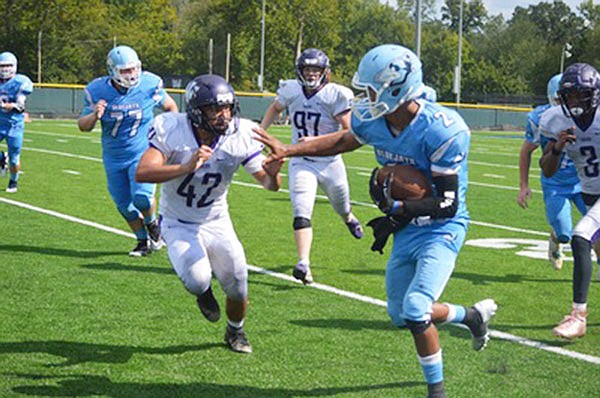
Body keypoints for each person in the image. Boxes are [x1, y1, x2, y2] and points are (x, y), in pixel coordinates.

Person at [254, 44, 497, 398]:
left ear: (397, 89)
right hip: (408, 227)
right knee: (401, 315)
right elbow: (343, 139)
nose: (364, 99)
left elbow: (446, 202)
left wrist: (396, 208)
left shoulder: (445, 129)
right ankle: (470, 316)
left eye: (370, 90)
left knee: (416, 308)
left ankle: (437, 392)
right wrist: (290, 150)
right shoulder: (376, 120)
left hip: (442, 228)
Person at [135, 74, 283, 354]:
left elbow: (269, 185)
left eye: (227, 108)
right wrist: (185, 167)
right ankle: (203, 293)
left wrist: (274, 175)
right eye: (214, 109)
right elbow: (143, 172)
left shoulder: (241, 133)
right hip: (178, 221)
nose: (223, 115)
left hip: (216, 219)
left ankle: (235, 331)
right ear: (195, 110)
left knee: (238, 284)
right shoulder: (172, 128)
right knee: (197, 279)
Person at [259, 48, 363, 285]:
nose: (312, 73)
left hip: (330, 160)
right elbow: (275, 108)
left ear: (325, 71)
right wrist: (262, 131)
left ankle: (348, 218)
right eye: (307, 69)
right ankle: (303, 263)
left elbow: (348, 131)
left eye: (316, 69)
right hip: (301, 160)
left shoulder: (335, 94)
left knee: (341, 204)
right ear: (300, 71)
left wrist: (315, 141)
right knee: (301, 210)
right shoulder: (292, 91)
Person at [78, 45, 178, 256]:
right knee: (123, 204)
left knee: (141, 197)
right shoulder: (97, 90)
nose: (131, 75)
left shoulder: (150, 84)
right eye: (125, 71)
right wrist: (95, 115)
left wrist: (167, 133)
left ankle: (152, 225)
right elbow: (83, 126)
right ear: (112, 70)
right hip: (113, 155)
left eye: (134, 69)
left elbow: (171, 106)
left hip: (142, 151)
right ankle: (143, 241)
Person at [539, 62, 600, 340]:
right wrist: (557, 148)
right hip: (589, 192)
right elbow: (548, 169)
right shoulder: (555, 120)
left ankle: (578, 317)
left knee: (579, 236)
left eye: (581, 95)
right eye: (570, 96)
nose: (575, 102)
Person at [517, 74, 586, 270]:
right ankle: (556, 239)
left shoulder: (588, 114)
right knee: (565, 233)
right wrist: (524, 186)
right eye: (562, 98)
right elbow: (526, 151)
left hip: (584, 180)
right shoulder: (540, 118)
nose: (568, 102)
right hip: (555, 182)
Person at [0, 51, 33, 193]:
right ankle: (2, 158)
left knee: (14, 159)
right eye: (2, 65)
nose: (5, 69)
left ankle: (13, 180)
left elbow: (20, 107)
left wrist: (9, 106)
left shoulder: (20, 82)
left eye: (8, 65)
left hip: (14, 125)